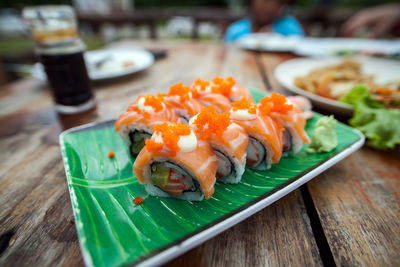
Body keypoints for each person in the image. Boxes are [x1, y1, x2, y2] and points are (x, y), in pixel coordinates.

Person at [224, 0, 304, 42]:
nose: (271, 6)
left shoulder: (290, 26)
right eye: (265, 1)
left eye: (278, 2)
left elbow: (301, 47)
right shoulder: (235, 30)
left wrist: (275, 40)